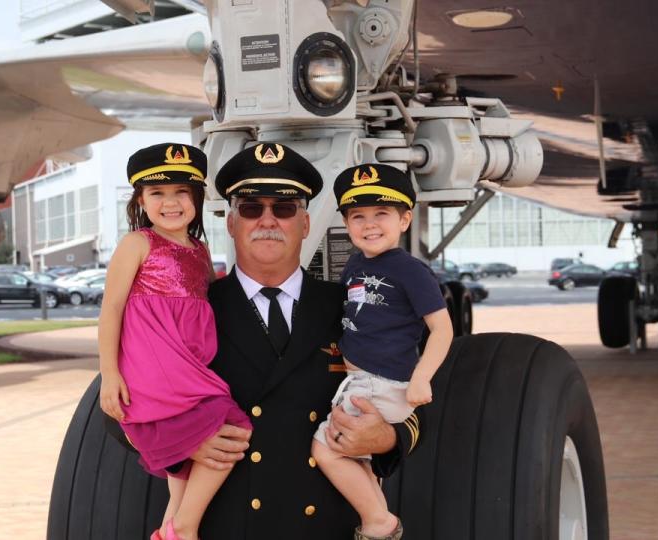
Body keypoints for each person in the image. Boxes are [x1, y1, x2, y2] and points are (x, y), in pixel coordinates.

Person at [105, 142, 424, 539]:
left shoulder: (352, 309)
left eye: (285, 208)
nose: (267, 220)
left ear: (305, 224)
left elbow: (413, 401)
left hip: (328, 529)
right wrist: (182, 442)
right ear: (231, 222)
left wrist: (387, 437)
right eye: (252, 208)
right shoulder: (192, 311)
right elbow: (122, 405)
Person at [98, 143, 252, 540]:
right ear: (140, 200)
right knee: (232, 424)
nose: (171, 203)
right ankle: (186, 528)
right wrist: (109, 374)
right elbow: (112, 309)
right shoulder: (138, 244)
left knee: (182, 470)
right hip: (156, 370)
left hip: (189, 366)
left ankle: (171, 528)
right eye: (157, 194)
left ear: (197, 199)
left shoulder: (200, 250)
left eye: (182, 192)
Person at [311, 163, 454, 539]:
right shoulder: (355, 265)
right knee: (361, 463)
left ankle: (379, 522)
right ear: (346, 223)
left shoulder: (411, 271)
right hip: (361, 379)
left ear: (405, 220)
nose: (369, 225)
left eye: (382, 214)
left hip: (382, 383)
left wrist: (422, 378)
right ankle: (376, 525)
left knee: (326, 449)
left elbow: (442, 328)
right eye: (358, 216)